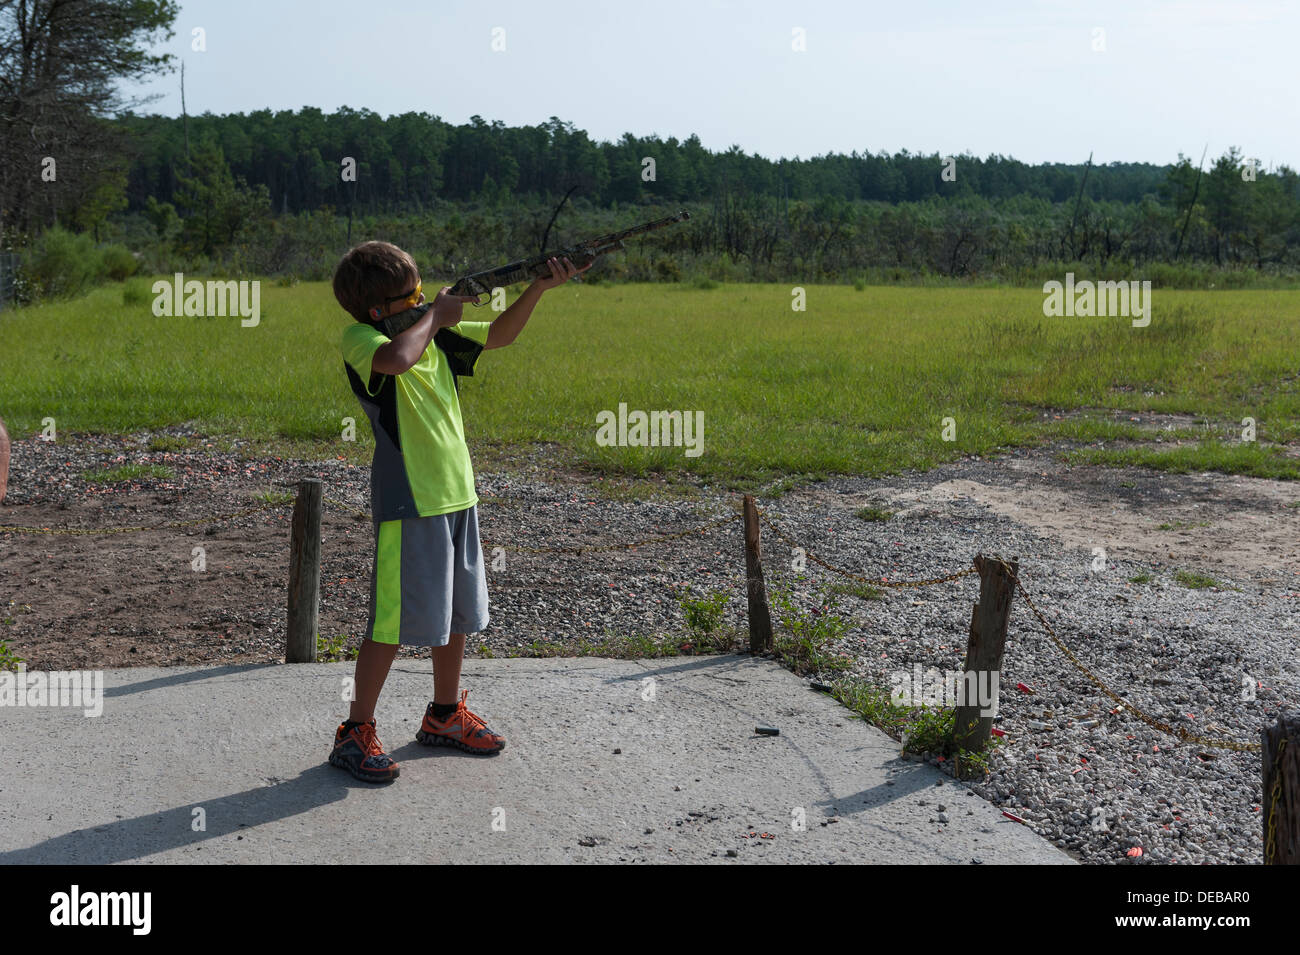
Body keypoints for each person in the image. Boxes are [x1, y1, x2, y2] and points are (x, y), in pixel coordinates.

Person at [328, 240, 587, 782]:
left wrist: (539, 285)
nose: (423, 300)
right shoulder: (364, 338)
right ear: (379, 311)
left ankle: (444, 714)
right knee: (391, 622)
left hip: (456, 495)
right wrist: (438, 314)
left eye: (423, 292)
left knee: (457, 615)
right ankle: (356, 732)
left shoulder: (433, 335)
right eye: (412, 296)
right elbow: (398, 361)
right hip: (410, 499)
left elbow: (498, 335)